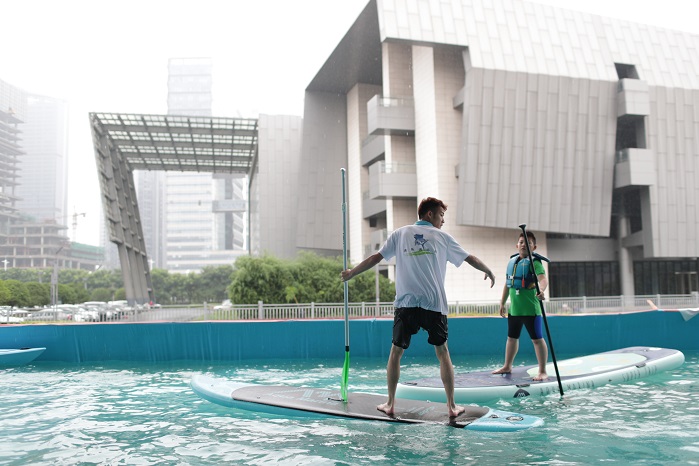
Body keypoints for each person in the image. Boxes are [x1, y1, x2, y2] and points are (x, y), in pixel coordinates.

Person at [340, 197, 495, 417]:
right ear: (430, 214)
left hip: (407, 305)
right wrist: (487, 270)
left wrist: (352, 273)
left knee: (396, 352)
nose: (443, 220)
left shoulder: (400, 234)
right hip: (434, 305)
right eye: (441, 215)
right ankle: (451, 406)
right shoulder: (442, 238)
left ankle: (391, 403)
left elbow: (376, 257)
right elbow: (470, 258)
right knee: (443, 352)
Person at [492, 231, 550, 380]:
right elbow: (508, 284)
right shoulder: (512, 262)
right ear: (517, 245)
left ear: (534, 247)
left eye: (528, 243)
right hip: (515, 310)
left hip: (531, 310)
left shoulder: (535, 263)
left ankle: (542, 371)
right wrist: (502, 302)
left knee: (537, 340)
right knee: (511, 338)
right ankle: (507, 366)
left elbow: (543, 280)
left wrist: (541, 290)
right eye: (522, 242)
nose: (524, 245)